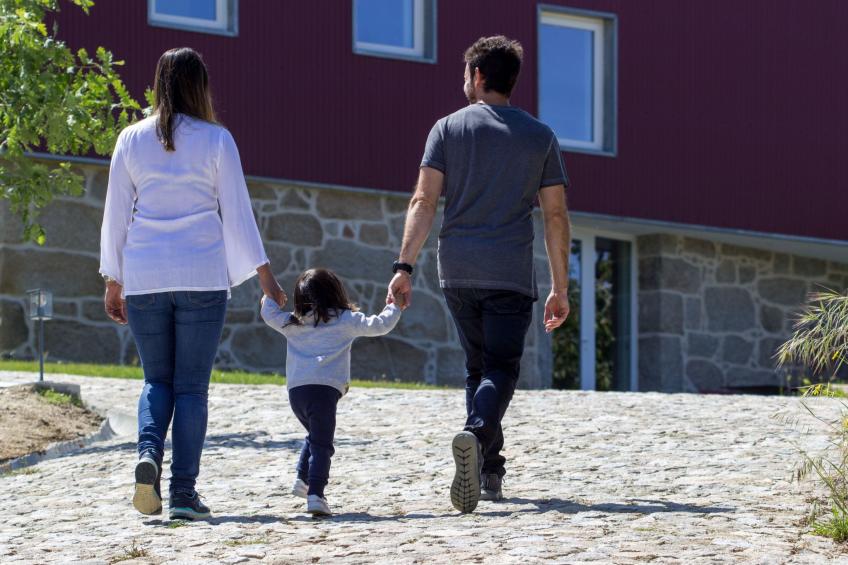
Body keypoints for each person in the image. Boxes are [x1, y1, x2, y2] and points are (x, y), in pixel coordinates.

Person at [386, 36, 572, 513]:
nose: (462, 81)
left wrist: (404, 265)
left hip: (458, 269)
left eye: (465, 73)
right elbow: (555, 217)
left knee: (479, 367)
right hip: (509, 270)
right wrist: (559, 287)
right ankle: (476, 435)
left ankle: (490, 469)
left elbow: (423, 202)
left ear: (480, 77)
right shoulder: (540, 137)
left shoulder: (446, 129)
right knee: (501, 368)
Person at [99, 47, 285, 520]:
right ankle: (183, 494)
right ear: (200, 86)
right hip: (201, 274)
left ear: (158, 83)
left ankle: (147, 455)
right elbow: (238, 215)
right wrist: (267, 280)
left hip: (144, 275)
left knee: (155, 379)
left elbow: (115, 216)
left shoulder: (130, 138)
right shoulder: (217, 140)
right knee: (190, 389)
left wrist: (112, 280)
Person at [260, 268, 402, 516]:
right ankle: (316, 494)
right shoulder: (346, 319)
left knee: (315, 437)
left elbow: (268, 312)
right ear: (336, 292)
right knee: (323, 444)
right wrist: (395, 305)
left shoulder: (293, 322)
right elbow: (380, 325)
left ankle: (302, 481)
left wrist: (271, 296)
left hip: (297, 394)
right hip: (324, 392)